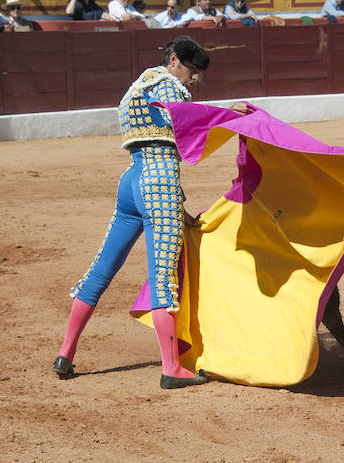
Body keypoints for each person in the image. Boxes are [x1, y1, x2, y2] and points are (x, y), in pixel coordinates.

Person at [53, 36, 252, 388]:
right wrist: (228, 115)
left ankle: (65, 353)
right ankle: (172, 368)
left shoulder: (137, 86)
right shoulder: (168, 85)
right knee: (164, 275)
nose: (195, 80)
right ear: (175, 60)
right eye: (192, 71)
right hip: (157, 179)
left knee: (101, 269)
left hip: (132, 179)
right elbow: (186, 120)